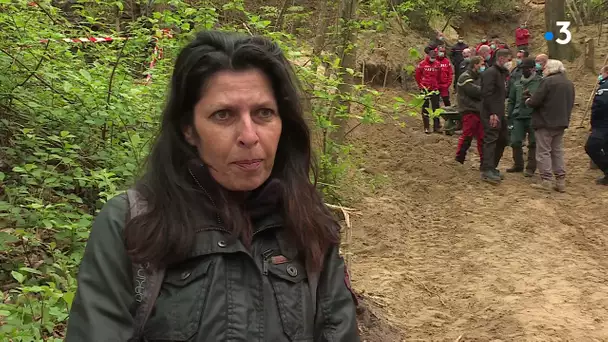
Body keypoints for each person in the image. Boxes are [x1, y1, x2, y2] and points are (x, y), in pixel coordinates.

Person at [65, 31, 360, 341]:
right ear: (189, 130)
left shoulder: (310, 225)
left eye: (263, 113)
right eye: (223, 115)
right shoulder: (132, 224)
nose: (249, 135)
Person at [525, 59, 575, 192]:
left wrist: (528, 100)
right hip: (561, 121)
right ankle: (560, 180)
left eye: (545, 67)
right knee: (557, 151)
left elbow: (536, 101)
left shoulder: (547, 81)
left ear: (551, 69)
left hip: (545, 121)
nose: (544, 70)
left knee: (543, 152)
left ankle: (546, 180)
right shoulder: (569, 83)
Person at [479, 49, 512, 184]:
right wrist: (492, 113)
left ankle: (492, 166)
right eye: (508, 59)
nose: (510, 63)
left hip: (499, 111)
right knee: (491, 139)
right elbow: (487, 93)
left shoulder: (501, 73)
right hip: (491, 113)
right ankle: (487, 169)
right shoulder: (491, 73)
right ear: (501, 59)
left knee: (503, 138)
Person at [506, 58, 541, 176]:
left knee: (533, 143)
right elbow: (511, 100)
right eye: (522, 69)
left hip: (533, 115)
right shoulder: (517, 83)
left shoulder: (540, 82)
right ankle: (518, 164)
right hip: (518, 115)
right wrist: (509, 115)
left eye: (526, 69)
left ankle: (531, 168)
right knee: (515, 141)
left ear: (532, 69)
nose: (524, 71)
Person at [456, 56, 485, 165]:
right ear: (475, 65)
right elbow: (475, 91)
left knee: (482, 138)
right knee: (467, 136)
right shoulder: (465, 77)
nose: (483, 67)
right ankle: (459, 159)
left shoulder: (480, 77)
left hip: (479, 110)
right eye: (481, 64)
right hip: (469, 110)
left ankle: (484, 163)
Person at [585, 65, 608, 185]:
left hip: (602, 124)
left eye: (601, 73)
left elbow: (599, 107)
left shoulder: (604, 89)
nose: (600, 76)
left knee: (591, 147)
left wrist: (593, 123)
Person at [415, 50, 442, 133]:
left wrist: (437, 85)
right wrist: (421, 86)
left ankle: (436, 127)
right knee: (425, 108)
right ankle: (426, 127)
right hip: (425, 89)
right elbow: (417, 76)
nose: (432, 59)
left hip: (434, 89)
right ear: (428, 56)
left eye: (434, 57)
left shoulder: (437, 64)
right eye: (431, 57)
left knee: (436, 108)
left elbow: (439, 76)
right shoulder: (422, 64)